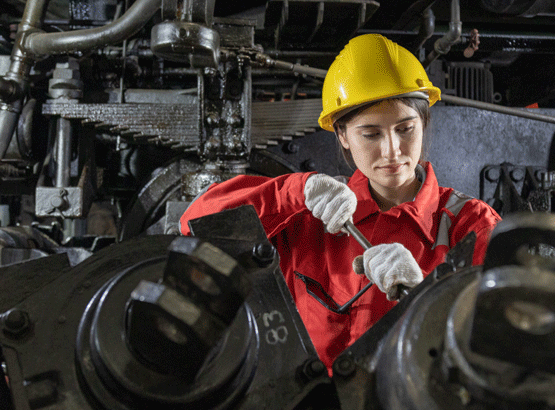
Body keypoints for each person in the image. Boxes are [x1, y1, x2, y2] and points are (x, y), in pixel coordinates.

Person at [179, 33, 500, 371]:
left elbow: (507, 351)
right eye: (371, 134)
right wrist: (293, 192)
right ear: (343, 135)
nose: (392, 150)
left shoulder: (473, 226)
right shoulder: (306, 215)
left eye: (405, 129)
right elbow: (197, 226)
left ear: (424, 122)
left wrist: (429, 299)